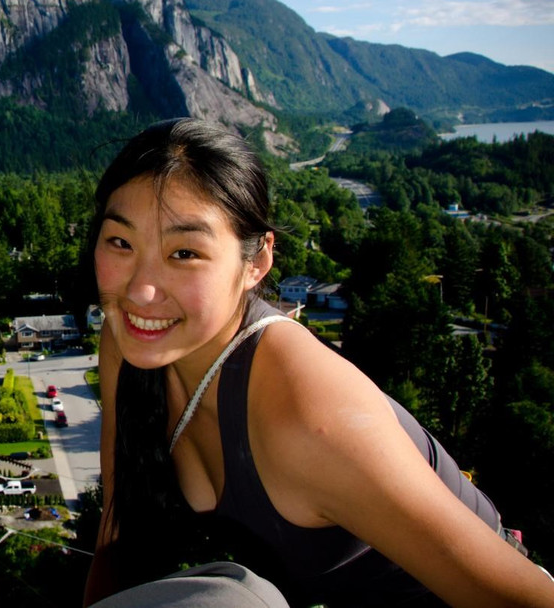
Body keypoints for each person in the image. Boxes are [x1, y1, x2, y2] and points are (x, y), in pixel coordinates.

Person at [82, 118, 554, 607]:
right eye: (121, 242)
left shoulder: (307, 418)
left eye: (184, 252)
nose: (141, 290)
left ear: (257, 262)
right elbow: (119, 534)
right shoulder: (132, 338)